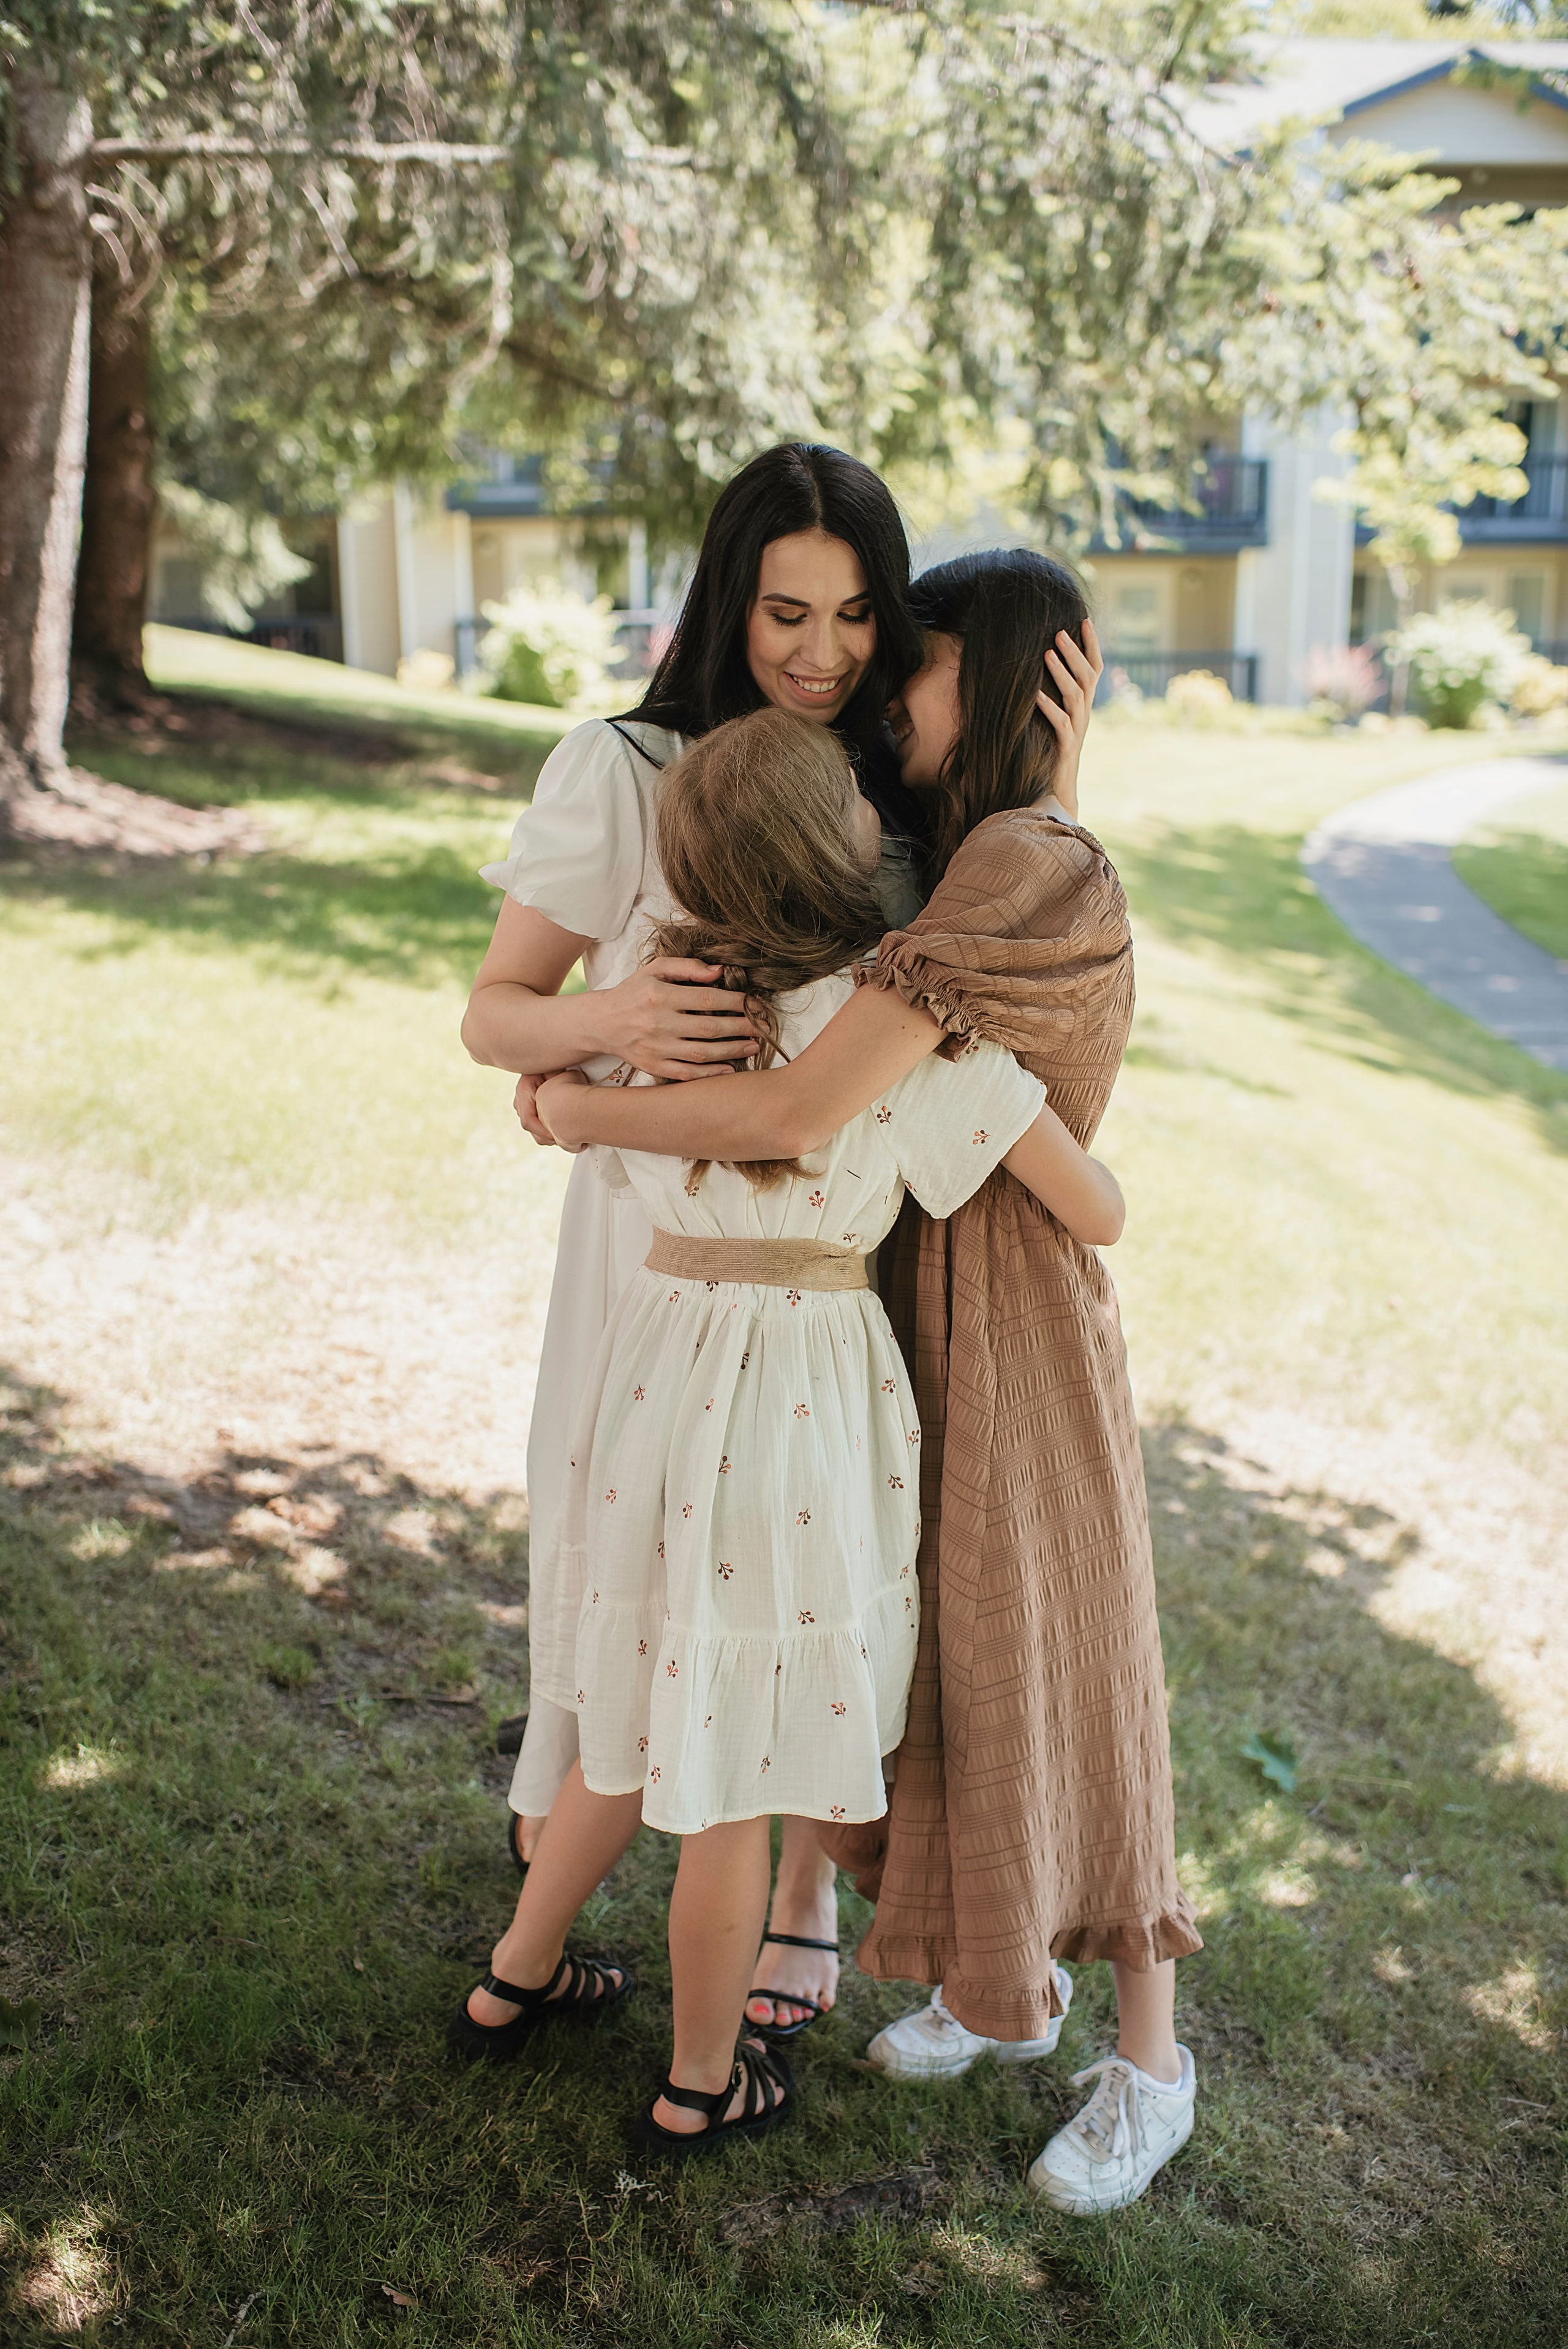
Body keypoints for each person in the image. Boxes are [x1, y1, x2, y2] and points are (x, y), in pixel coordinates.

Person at [533, 549, 1203, 2215]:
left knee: (1069, 1659)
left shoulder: (1012, 861)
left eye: (909, 665)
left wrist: (577, 1101)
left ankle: (1150, 2059)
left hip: (1018, 1311)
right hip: (908, 1298)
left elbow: (792, 1110)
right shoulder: (971, 853)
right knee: (952, 1672)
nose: (872, 688)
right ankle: (1001, 1983)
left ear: (981, 682)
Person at [463, 442, 1095, 2043]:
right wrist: (606, 1027)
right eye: (785, 613)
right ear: (723, 603)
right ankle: (621, 1865)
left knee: (803, 1581)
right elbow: (493, 1014)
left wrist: (1049, 792)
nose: (821, 654)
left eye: (858, 616)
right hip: (658, 1257)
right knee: (651, 1573)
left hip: (840, 1258)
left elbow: (981, 954)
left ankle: (789, 1893)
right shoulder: (622, 766)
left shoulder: (883, 795)